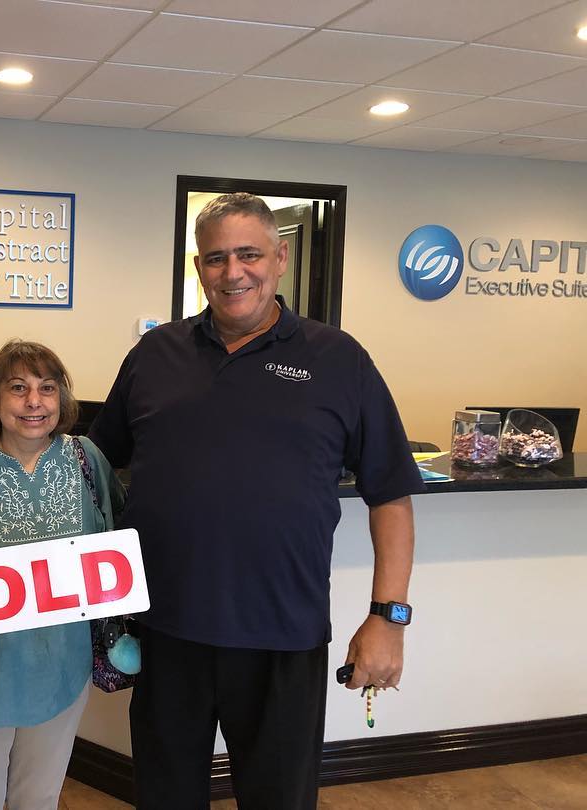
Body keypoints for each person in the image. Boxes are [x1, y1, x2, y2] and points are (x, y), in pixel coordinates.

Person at [88, 193, 424, 809]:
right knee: (164, 797)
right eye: (216, 258)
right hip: (166, 631)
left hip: (282, 635)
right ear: (198, 268)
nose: (233, 271)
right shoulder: (154, 355)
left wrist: (388, 618)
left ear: (282, 257)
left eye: (249, 254)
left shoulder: (338, 359)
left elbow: (390, 494)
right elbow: (90, 466)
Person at [0, 340, 124, 810]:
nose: (34, 402)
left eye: (47, 389)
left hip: (60, 667)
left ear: (62, 400)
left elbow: (115, 536)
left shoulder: (85, 458)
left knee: (38, 798)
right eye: (19, 388)